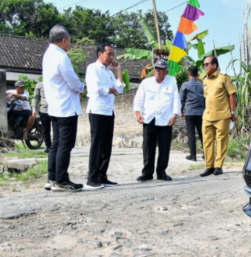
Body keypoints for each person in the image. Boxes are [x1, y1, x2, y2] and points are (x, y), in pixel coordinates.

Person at [42, 25, 84, 192]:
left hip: (54, 106)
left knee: (56, 144)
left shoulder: (47, 54)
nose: (70, 45)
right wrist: (81, 87)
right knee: (65, 145)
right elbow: (73, 80)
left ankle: (52, 177)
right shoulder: (61, 56)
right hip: (66, 107)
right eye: (70, 42)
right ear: (64, 40)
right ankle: (62, 180)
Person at [84, 43, 124, 190]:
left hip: (109, 110)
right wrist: (109, 89)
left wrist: (118, 71)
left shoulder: (109, 72)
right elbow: (95, 88)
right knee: (97, 145)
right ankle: (92, 178)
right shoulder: (92, 68)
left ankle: (102, 175)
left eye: (113, 54)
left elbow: (119, 89)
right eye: (109, 54)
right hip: (97, 110)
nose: (111, 57)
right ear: (100, 54)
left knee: (106, 146)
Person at [133, 59, 180, 182]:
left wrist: (175, 115)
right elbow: (138, 99)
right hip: (149, 118)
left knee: (164, 147)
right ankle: (147, 173)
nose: (158, 71)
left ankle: (161, 172)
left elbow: (176, 99)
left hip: (166, 119)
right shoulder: (146, 83)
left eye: (161, 69)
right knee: (148, 147)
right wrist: (138, 113)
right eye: (156, 69)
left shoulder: (172, 82)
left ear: (166, 71)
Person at [199, 55, 236, 177]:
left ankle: (218, 166)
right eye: (204, 65)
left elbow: (232, 95)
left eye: (207, 64)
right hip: (207, 115)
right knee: (207, 142)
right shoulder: (204, 79)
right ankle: (208, 166)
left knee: (221, 141)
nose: (205, 67)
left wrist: (232, 112)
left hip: (222, 115)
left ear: (214, 65)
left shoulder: (224, 78)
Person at [179, 65, 205, 162]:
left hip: (189, 112)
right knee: (202, 134)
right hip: (201, 113)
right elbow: (206, 99)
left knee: (191, 134)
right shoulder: (202, 85)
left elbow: (182, 99)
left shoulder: (185, 85)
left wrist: (181, 111)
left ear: (189, 74)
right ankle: (206, 154)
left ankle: (193, 155)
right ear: (197, 74)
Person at [32, 80, 52, 153]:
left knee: (58, 129)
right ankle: (48, 146)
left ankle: (57, 145)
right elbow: (36, 97)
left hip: (56, 110)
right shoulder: (40, 85)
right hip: (44, 110)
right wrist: (34, 109)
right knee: (46, 129)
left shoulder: (56, 82)